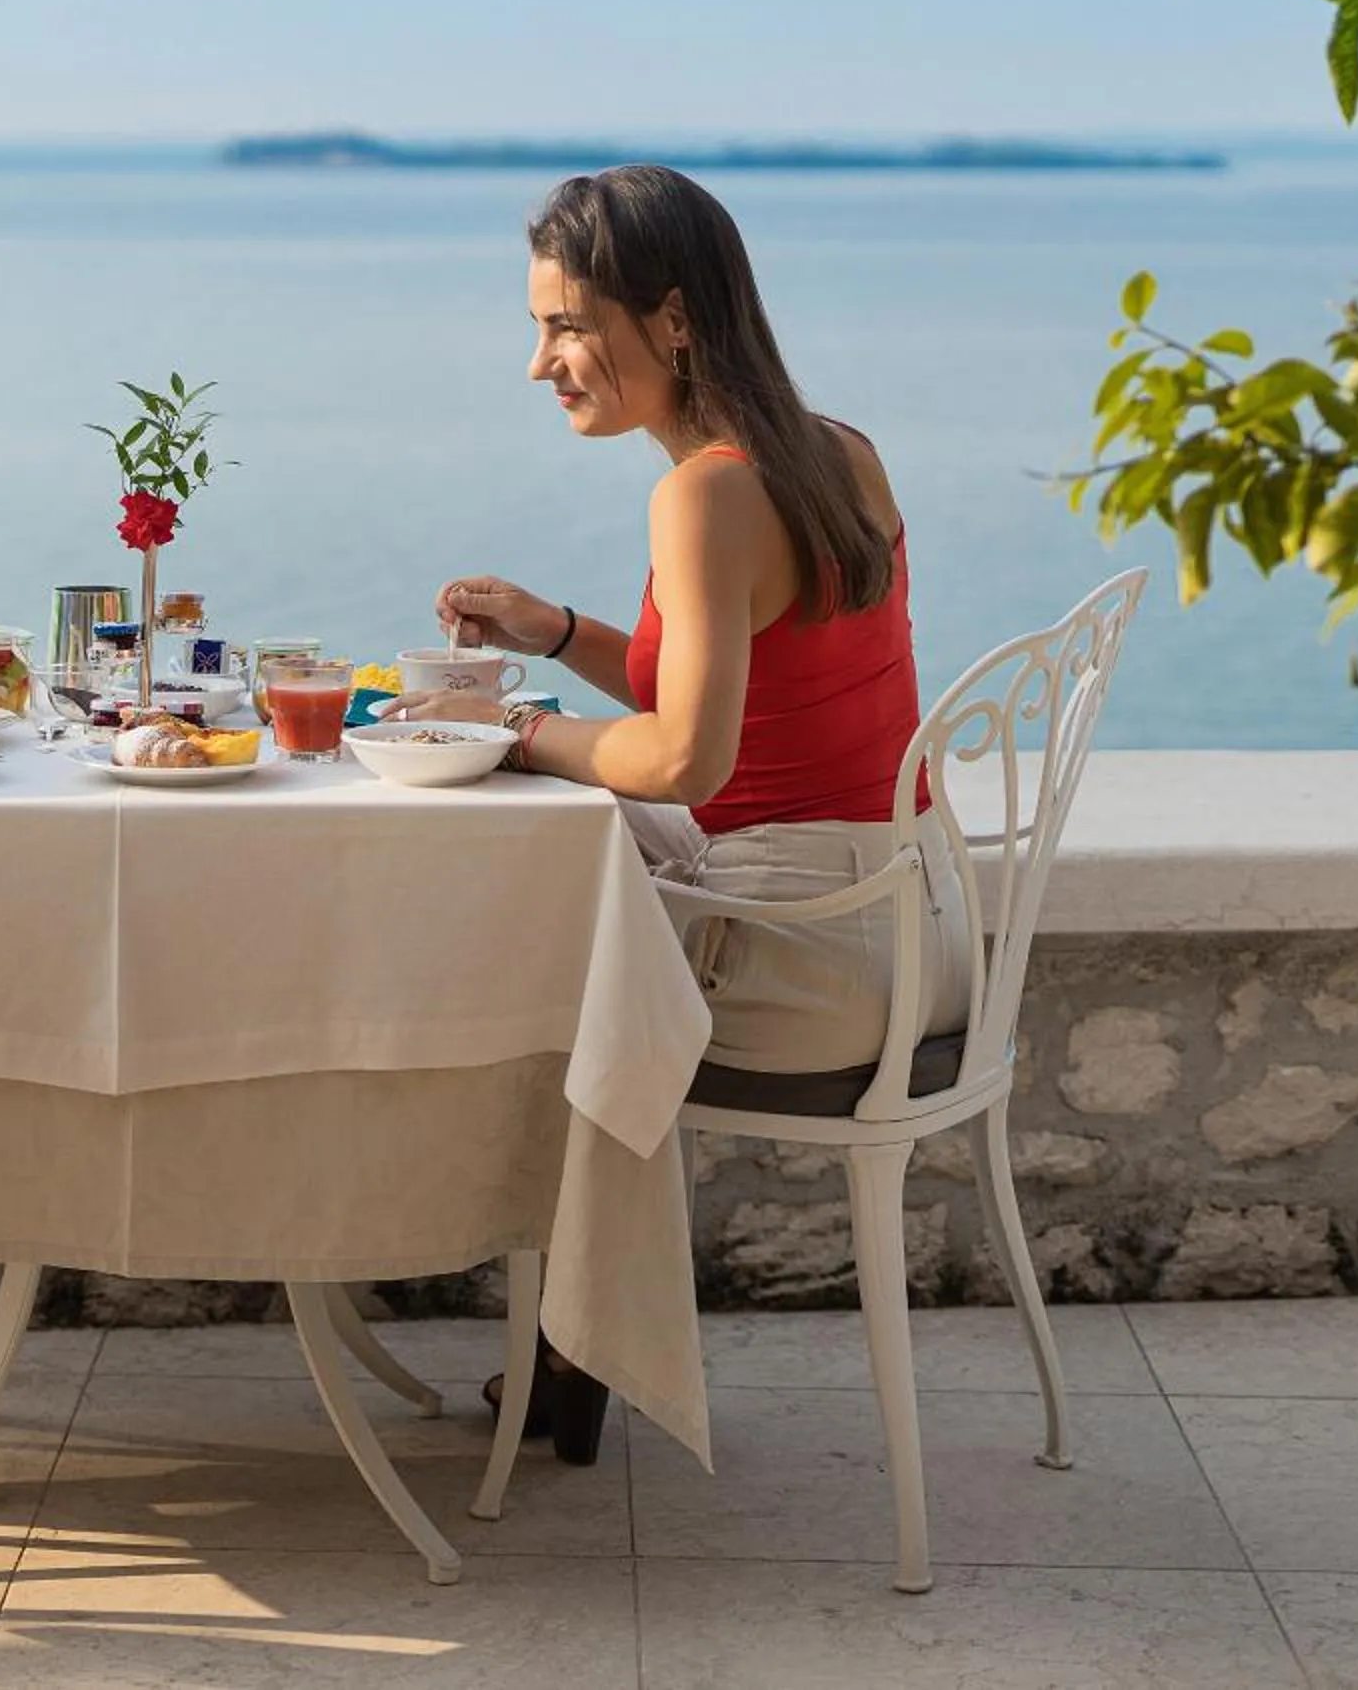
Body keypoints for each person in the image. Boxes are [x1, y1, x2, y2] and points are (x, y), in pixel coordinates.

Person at [385, 164, 974, 1458]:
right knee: (554, 920)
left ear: (674, 322)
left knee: (506, 973)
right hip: (917, 926)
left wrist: (513, 729)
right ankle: (567, 1349)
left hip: (810, 954)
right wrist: (554, 635)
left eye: (565, 327)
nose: (542, 363)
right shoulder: (836, 451)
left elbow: (682, 763)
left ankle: (572, 1337)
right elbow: (719, 694)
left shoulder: (702, 494)